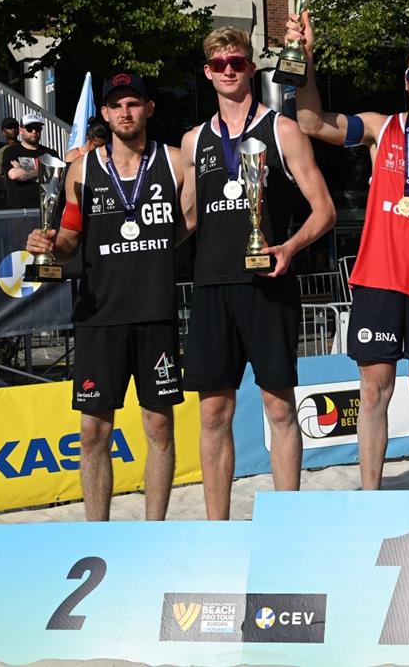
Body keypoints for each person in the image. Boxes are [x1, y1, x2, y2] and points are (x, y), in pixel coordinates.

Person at [286, 20, 409, 490]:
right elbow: (310, 123)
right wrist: (306, 60)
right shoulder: (380, 128)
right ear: (405, 82)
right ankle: (371, 496)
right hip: (379, 279)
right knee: (372, 391)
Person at [179, 27, 336, 520]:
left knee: (280, 407)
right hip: (212, 287)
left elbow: (325, 210)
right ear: (208, 72)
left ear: (250, 68)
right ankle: (217, 528)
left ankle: (286, 522)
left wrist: (289, 247)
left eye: (236, 62)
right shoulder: (193, 140)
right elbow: (187, 217)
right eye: (219, 64)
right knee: (212, 412)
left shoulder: (282, 130)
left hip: (269, 285)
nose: (228, 70)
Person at [24, 72, 193, 521]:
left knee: (159, 426)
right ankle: (98, 533)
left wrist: (154, 246)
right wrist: (48, 243)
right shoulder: (82, 169)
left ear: (148, 108)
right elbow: (69, 238)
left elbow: (189, 221)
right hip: (99, 315)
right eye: (116, 105)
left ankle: (154, 530)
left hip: (155, 310)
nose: (125, 112)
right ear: (104, 113)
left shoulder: (175, 161)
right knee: (93, 432)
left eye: (133, 103)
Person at [2, 110, 60, 208]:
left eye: (38, 128)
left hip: (47, 207)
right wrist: (45, 171)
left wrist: (24, 171)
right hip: (20, 209)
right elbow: (14, 174)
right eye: (30, 128)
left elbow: (59, 175)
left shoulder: (50, 153)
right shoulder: (11, 151)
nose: (34, 131)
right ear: (21, 130)